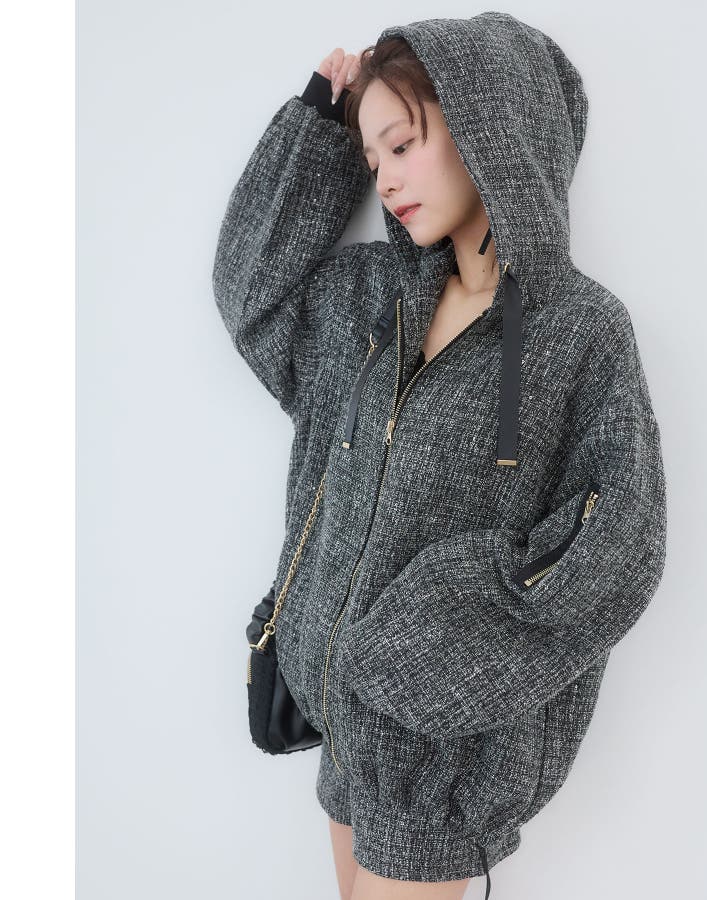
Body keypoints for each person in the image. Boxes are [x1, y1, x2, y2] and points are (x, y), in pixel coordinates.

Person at [213, 12, 667, 900]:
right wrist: (317, 135)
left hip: (439, 764)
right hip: (343, 732)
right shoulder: (372, 304)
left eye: (403, 144)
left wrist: (419, 643)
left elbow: (622, 547)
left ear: (486, 126)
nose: (384, 178)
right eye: (370, 158)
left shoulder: (579, 333)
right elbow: (252, 295)